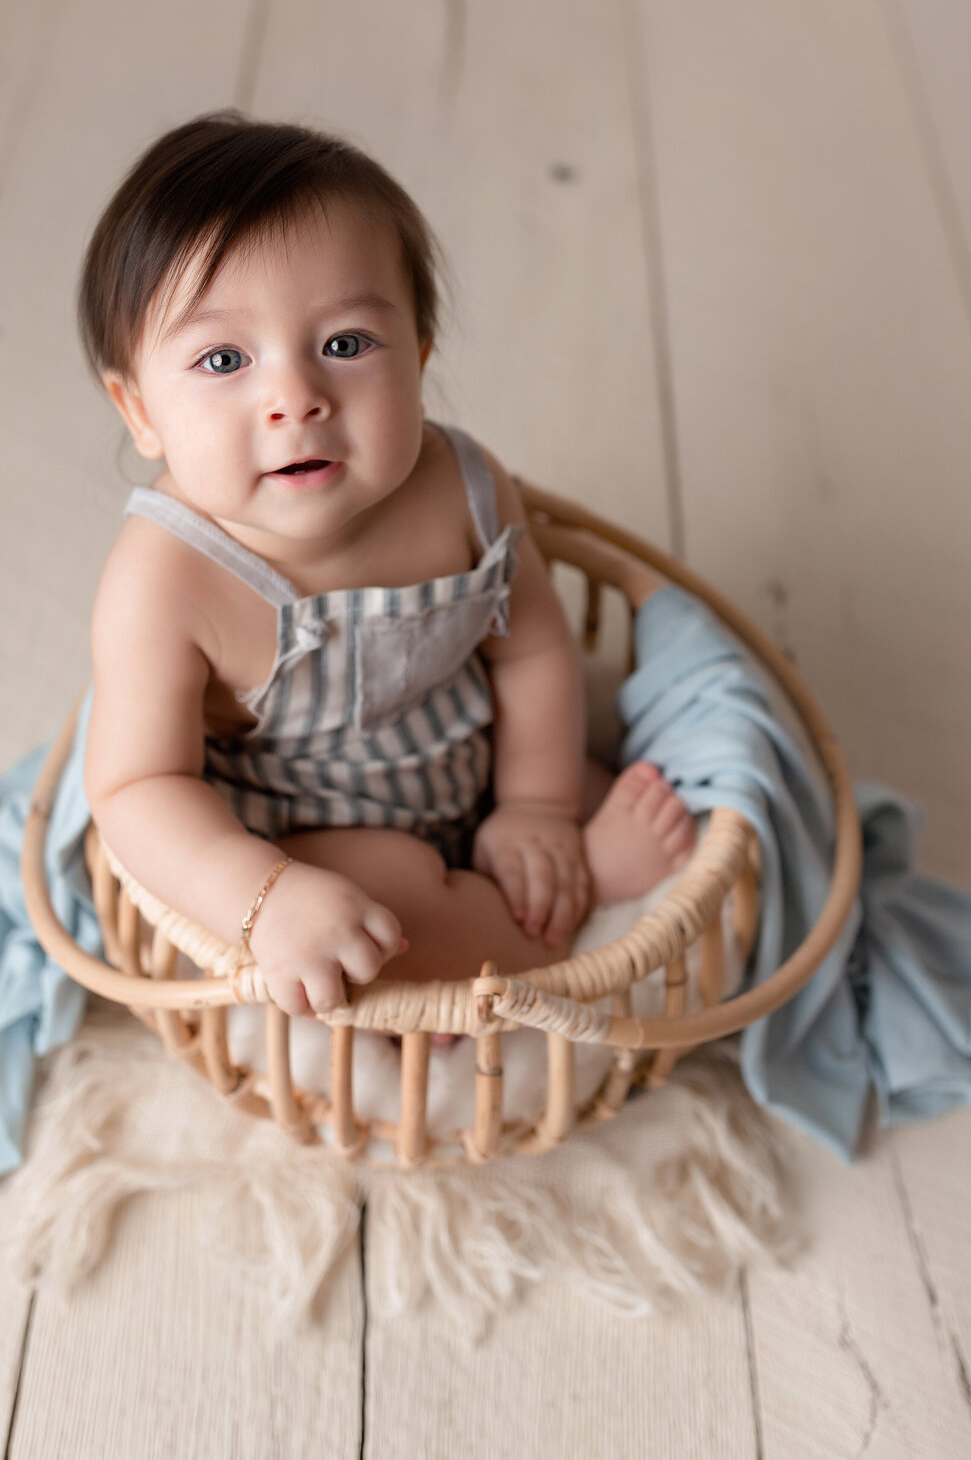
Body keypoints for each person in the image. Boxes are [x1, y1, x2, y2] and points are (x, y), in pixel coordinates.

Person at [81, 110, 695, 1024]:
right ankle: (566, 905)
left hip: (473, 766)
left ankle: (546, 860)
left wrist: (537, 805)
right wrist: (266, 897)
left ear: (418, 356)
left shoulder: (464, 487)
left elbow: (531, 650)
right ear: (140, 411)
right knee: (384, 926)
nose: (296, 398)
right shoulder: (166, 582)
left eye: (345, 345)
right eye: (223, 359)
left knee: (637, 791)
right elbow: (138, 786)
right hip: (304, 836)